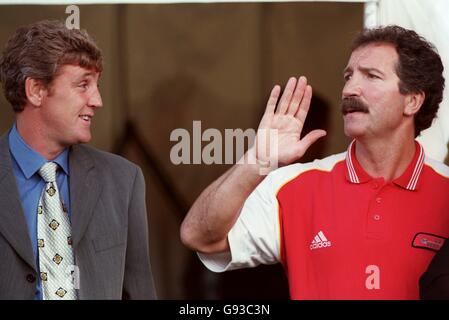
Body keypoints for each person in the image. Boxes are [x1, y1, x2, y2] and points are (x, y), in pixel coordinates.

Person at [180, 25, 449, 299]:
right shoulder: (292, 185)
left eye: (371, 76)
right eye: (348, 76)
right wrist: (256, 161)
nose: (349, 89)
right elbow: (198, 236)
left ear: (412, 101)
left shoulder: (446, 191)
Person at [0, 20, 156, 300]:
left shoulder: (124, 179)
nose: (97, 100)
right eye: (83, 84)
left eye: (96, 85)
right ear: (36, 89)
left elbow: (140, 291)